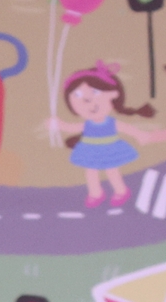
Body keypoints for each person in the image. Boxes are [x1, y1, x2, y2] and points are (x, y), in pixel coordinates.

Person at [47, 62, 158, 209]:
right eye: (77, 95)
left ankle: (121, 191)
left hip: (109, 148)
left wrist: (140, 135)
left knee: (112, 171)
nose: (87, 100)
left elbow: (126, 128)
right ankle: (95, 193)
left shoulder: (111, 122)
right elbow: (73, 127)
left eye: (95, 92)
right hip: (90, 149)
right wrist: (59, 125)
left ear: (113, 94)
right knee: (91, 172)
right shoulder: (87, 124)